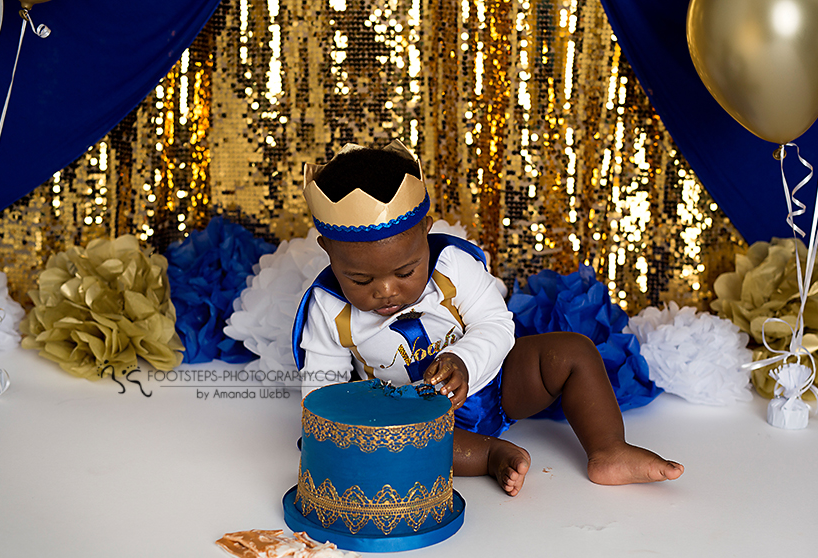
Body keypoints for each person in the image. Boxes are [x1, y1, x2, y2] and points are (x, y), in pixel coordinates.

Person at [293, 141, 684, 496]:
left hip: (496, 384)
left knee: (573, 352)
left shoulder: (452, 265)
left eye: (405, 272)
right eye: (360, 279)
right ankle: (490, 455)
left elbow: (498, 325)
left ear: (426, 232)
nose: (385, 291)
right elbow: (323, 389)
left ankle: (608, 449)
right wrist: (340, 434)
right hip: (415, 417)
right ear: (328, 250)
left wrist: (465, 360)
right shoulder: (328, 309)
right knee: (389, 445)